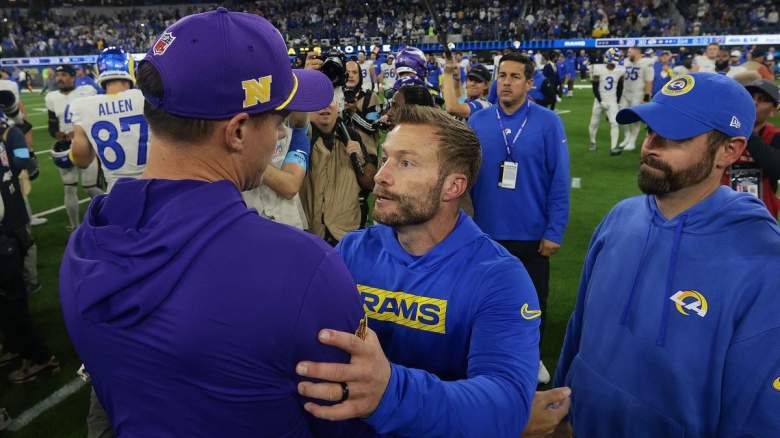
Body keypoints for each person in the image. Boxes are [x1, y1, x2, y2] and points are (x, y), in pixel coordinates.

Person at [59, 9, 375, 437]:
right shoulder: (304, 268)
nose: (282, 134)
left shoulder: (84, 247)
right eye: (278, 120)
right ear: (238, 131)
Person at [295, 104, 566, 437]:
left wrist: (391, 392)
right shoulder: (353, 250)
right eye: (385, 158)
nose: (381, 176)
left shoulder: (500, 279)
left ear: (453, 187)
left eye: (405, 163)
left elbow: (507, 400)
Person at [555, 72, 780, 436]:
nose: (651, 145)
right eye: (651, 129)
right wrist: (562, 406)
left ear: (730, 150)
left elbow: (757, 415)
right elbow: (578, 329)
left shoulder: (763, 260)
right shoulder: (620, 217)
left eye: (675, 135)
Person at [468, 52, 570, 384]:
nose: (506, 82)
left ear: (529, 83)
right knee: (483, 300)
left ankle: (531, 356)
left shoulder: (547, 122)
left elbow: (559, 179)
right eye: (502, 75)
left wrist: (554, 230)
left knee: (531, 301)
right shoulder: (479, 122)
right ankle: (486, 355)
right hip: (484, 231)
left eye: (514, 77)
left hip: (530, 231)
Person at [0, 112, 59, 384]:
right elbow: (26, 163)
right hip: (12, 223)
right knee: (11, 299)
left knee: (13, 299)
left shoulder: (9, 133)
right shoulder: (9, 131)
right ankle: (17, 346)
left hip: (8, 228)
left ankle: (37, 356)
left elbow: (27, 162)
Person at [300, 94, 377, 244]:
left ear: (338, 105)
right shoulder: (300, 137)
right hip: (310, 234)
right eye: (318, 101)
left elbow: (369, 183)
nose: (325, 106)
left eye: (330, 101)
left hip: (346, 233)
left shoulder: (351, 135)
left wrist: (359, 157)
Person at [70, 47, 148, 192]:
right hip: (157, 185)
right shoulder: (148, 98)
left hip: (117, 191)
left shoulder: (82, 106)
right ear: (131, 68)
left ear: (99, 71)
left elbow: (81, 160)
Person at [45, 64, 103, 231]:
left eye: (64, 74)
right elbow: (52, 125)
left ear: (73, 76)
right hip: (66, 146)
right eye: (58, 75)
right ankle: (74, 226)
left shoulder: (87, 91)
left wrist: (81, 131)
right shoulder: (51, 97)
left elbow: (98, 113)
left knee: (91, 187)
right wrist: (59, 134)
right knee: (69, 187)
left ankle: (110, 215)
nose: (60, 78)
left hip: (86, 142)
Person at [721, 79, 780, 218]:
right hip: (721, 210)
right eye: (750, 97)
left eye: (762, 99)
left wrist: (745, 130)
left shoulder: (775, 136)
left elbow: (777, 168)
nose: (754, 102)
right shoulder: (721, 132)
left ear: (772, 111)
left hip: (761, 215)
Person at [589, 48, 625, 154]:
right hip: (599, 99)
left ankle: (613, 147)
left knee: (614, 123)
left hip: (612, 100)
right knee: (594, 122)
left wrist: (617, 102)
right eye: (611, 63)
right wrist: (601, 101)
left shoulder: (620, 70)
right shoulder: (597, 68)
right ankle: (592, 142)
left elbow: (620, 87)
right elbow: (595, 88)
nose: (612, 65)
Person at [619, 47, 653, 151]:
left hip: (638, 94)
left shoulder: (646, 64)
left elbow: (648, 82)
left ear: (637, 52)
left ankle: (632, 141)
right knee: (622, 116)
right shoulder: (625, 62)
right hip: (625, 93)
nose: (628, 54)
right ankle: (627, 136)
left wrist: (646, 97)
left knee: (634, 119)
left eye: (630, 52)